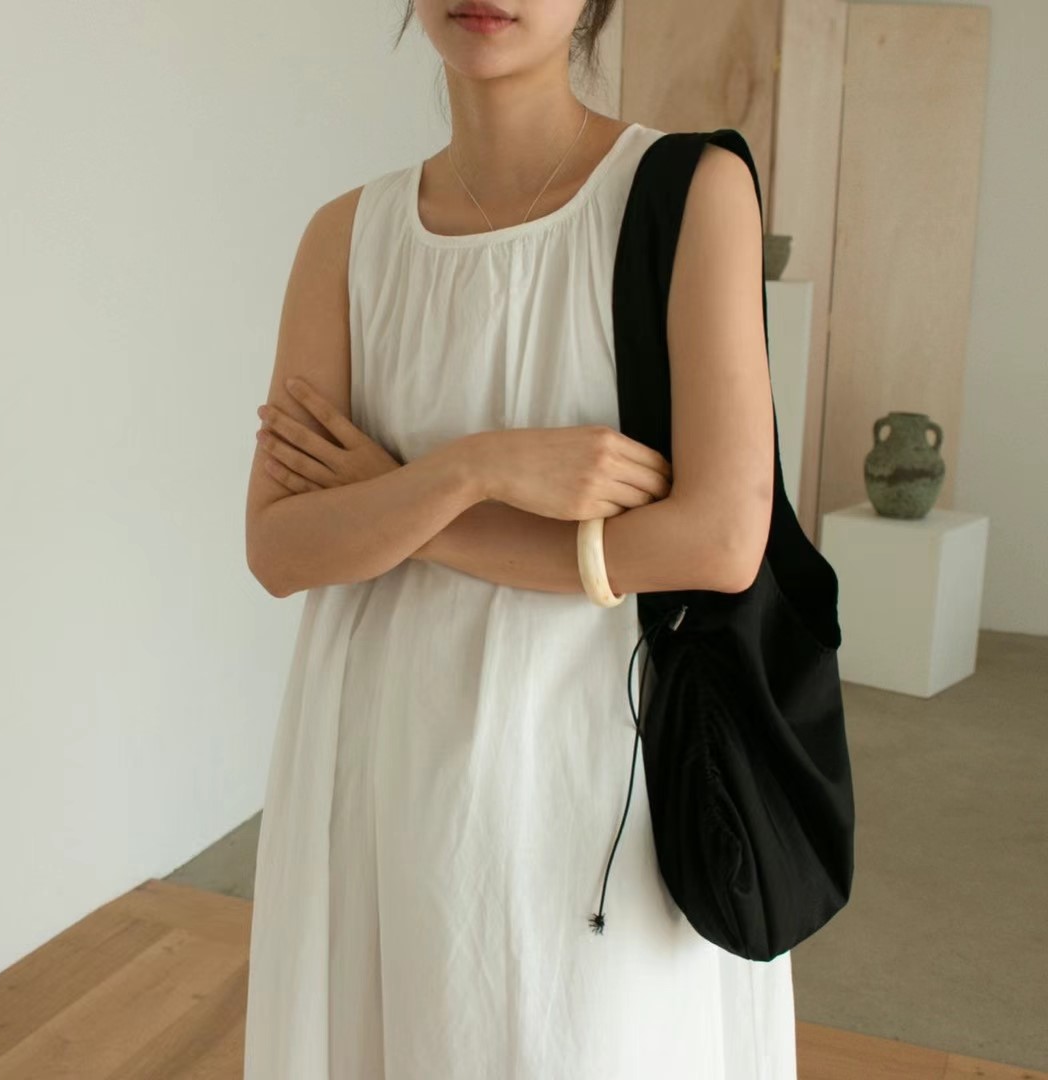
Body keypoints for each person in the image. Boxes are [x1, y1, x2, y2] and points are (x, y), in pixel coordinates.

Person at [242, 1, 790, 1076]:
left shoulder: (688, 191)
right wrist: (476, 467)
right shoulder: (346, 237)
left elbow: (722, 538)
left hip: (599, 772)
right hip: (381, 766)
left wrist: (402, 507)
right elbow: (280, 548)